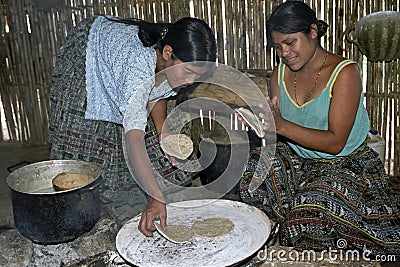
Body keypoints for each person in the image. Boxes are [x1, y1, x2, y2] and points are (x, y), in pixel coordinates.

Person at [239, 1, 400, 256]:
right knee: (251, 174)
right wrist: (260, 126)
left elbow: (335, 143)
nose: (284, 52)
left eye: (290, 42)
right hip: (299, 159)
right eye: (278, 46)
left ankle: (302, 230)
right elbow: (277, 131)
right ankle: (278, 236)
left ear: (313, 31)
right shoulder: (278, 76)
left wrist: (280, 125)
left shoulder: (344, 73)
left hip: (347, 163)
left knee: (311, 213)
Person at [48, 15, 217, 235]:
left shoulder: (171, 64)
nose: (191, 82)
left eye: (197, 76)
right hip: (90, 52)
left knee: (148, 137)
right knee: (91, 130)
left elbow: (157, 91)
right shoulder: (136, 66)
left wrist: (162, 130)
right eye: (188, 72)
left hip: (124, 66)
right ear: (167, 53)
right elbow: (133, 139)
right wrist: (156, 198)